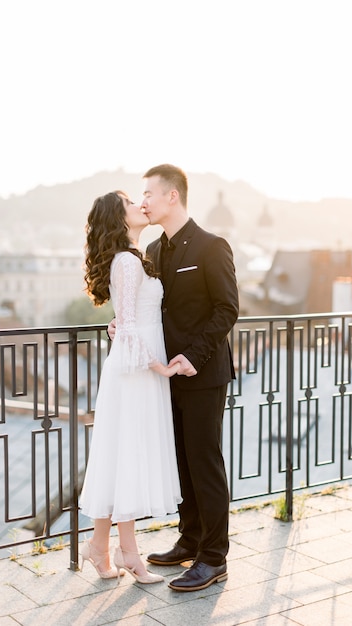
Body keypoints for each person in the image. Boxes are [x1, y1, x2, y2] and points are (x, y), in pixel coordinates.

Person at [141, 164, 239, 591]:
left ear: (172, 197)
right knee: (182, 461)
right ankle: (190, 539)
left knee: (205, 463)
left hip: (203, 373)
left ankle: (214, 558)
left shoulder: (213, 246)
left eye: (148, 193)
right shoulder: (154, 250)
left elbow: (227, 309)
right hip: (168, 375)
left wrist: (191, 357)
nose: (142, 201)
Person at [78, 190, 182, 585]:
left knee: (121, 457)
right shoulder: (126, 260)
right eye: (129, 201)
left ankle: (101, 547)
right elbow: (129, 321)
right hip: (137, 370)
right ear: (119, 218)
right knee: (128, 454)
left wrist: (121, 330)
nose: (140, 203)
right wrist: (160, 367)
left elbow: (125, 321)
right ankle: (127, 553)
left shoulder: (132, 257)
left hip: (135, 365)